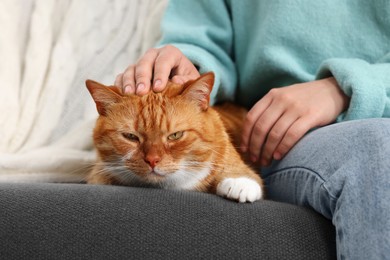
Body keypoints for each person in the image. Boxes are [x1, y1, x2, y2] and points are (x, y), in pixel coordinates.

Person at [115, 1, 390, 259]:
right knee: (375, 147)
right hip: (274, 136)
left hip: (375, 124)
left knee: (379, 143)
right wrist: (184, 72)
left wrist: (346, 88)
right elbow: (200, 40)